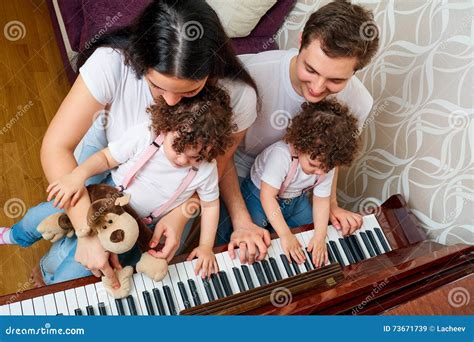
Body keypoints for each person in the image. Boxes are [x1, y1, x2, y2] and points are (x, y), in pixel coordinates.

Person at [12, 0, 261, 287]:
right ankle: (47, 271)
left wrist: (182, 214)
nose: (169, 102)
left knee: (120, 270)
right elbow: (56, 147)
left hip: (167, 193)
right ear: (140, 60)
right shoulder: (112, 62)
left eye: (190, 90)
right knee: (66, 232)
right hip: (111, 149)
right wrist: (88, 232)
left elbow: (214, 167)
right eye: (157, 86)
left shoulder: (238, 96)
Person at [0, 85, 235, 282]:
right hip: (99, 199)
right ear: (168, 124)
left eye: (195, 157)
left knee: (74, 274)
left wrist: (205, 246)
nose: (182, 160)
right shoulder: (147, 135)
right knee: (38, 216)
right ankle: (15, 236)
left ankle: (48, 284)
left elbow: (211, 205)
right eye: (178, 149)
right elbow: (105, 158)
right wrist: (77, 175)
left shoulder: (205, 169)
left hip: (131, 230)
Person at [217, 0, 380, 264]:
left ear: (356, 70)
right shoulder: (250, 76)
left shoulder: (359, 102)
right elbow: (220, 157)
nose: (317, 88)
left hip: (296, 190)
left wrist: (333, 205)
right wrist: (242, 221)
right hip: (239, 178)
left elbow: (330, 159)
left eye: (335, 80)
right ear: (301, 39)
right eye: (311, 69)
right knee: (239, 259)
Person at [241, 99, 359, 268]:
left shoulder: (326, 164)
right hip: (258, 196)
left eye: (326, 168)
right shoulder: (281, 155)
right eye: (313, 165)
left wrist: (319, 237)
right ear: (298, 145)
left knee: (309, 229)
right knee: (255, 239)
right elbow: (267, 196)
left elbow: (321, 200)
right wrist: (285, 235)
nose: (320, 172)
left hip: (295, 199)